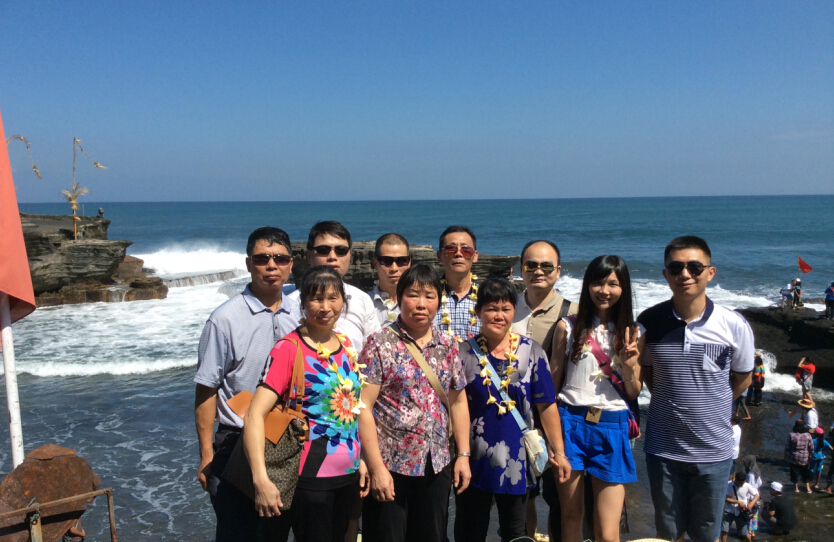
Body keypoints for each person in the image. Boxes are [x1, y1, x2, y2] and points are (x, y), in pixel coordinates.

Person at [638, 236, 755, 542]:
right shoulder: (649, 322)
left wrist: (714, 403)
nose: (685, 274)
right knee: (668, 533)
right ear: (665, 274)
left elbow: (743, 378)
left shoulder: (733, 324)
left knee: (707, 534)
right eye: (676, 268)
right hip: (662, 449)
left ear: (710, 272)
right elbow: (648, 373)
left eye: (694, 267)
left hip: (713, 451)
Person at [243, 266, 368, 541]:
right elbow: (254, 415)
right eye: (316, 299)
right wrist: (261, 480)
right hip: (310, 477)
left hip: (349, 473)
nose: (325, 307)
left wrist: (361, 459)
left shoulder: (346, 345)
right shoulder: (289, 348)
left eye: (333, 298)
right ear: (303, 303)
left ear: (343, 301)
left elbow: (351, 410)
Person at [194, 227, 299, 542]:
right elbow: (206, 389)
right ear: (248, 263)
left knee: (276, 533)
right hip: (235, 443)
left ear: (291, 264)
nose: (271, 265)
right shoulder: (225, 319)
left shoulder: (300, 314)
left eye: (280, 258)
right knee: (237, 533)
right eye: (262, 258)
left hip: (287, 441)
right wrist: (206, 454)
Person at [357, 264, 471, 542]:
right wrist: (376, 467)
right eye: (412, 295)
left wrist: (463, 456)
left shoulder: (448, 345)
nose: (421, 304)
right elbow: (363, 407)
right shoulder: (379, 343)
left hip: (436, 463)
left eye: (429, 296)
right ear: (399, 298)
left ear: (438, 302)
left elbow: (458, 403)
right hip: (390, 464)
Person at [455, 277, 571, 542]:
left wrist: (559, 452)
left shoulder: (531, 352)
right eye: (491, 309)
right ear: (478, 312)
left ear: (513, 311)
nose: (499, 315)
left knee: (516, 533)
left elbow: (546, 405)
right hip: (473, 458)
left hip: (517, 460)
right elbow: (454, 406)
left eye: (505, 309)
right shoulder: (463, 353)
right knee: (469, 532)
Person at [551, 255, 644, 542]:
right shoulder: (568, 327)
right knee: (571, 517)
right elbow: (553, 385)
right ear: (587, 286)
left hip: (612, 425)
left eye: (613, 284)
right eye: (597, 283)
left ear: (623, 288)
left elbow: (633, 391)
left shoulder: (634, 333)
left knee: (608, 530)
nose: (604, 290)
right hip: (570, 422)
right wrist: (548, 433)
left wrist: (629, 368)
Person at [511, 239, 578, 540]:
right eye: (531, 265)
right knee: (521, 497)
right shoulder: (506, 307)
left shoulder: (574, 312)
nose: (538, 271)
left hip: (555, 419)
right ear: (520, 269)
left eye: (546, 266)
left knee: (558, 498)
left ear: (558, 271)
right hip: (513, 417)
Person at [287, 221, 380, 351]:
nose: (332, 256)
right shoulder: (289, 305)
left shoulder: (362, 300)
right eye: (323, 250)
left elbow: (373, 350)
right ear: (308, 255)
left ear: (350, 255)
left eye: (341, 250)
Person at [434, 225, 481, 340]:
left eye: (466, 250)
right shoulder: (429, 297)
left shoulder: (485, 298)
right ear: (439, 256)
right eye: (451, 249)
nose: (459, 254)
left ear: (475, 256)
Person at [368, 233, 411, 327]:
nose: (394, 268)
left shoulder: (419, 304)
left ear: (409, 263)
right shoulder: (363, 303)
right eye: (386, 261)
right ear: (375, 263)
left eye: (401, 261)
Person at [720, 471, 756, 542]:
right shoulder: (729, 485)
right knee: (724, 530)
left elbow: (756, 495)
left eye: (743, 482)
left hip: (741, 512)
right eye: (740, 483)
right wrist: (737, 502)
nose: (741, 484)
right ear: (735, 480)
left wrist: (751, 504)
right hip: (729, 510)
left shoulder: (747, 485)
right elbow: (726, 498)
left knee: (745, 533)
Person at [785, 419, 814, 493]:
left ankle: (796, 487)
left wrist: (785, 454)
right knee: (805, 472)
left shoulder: (791, 435)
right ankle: (808, 488)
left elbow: (788, 447)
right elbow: (811, 447)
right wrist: (810, 456)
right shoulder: (808, 435)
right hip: (804, 457)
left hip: (793, 457)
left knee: (794, 472)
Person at [741, 455, 763, 538]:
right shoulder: (756, 471)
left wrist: (747, 500)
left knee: (748, 515)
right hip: (757, 496)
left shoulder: (750, 474)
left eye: (745, 462)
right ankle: (753, 532)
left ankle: (748, 532)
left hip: (751, 498)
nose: (743, 463)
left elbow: (749, 487)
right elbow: (760, 483)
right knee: (754, 515)